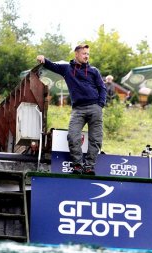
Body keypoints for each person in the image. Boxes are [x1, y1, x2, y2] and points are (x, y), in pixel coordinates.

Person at [36, 44, 107, 175]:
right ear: (76, 54)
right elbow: (52, 66)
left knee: (96, 139)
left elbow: (102, 88)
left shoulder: (94, 71)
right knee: (73, 136)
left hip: (94, 107)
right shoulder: (67, 69)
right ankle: (78, 166)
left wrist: (100, 104)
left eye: (88, 54)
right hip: (78, 109)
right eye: (84, 53)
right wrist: (43, 59)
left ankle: (89, 167)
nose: (86, 56)